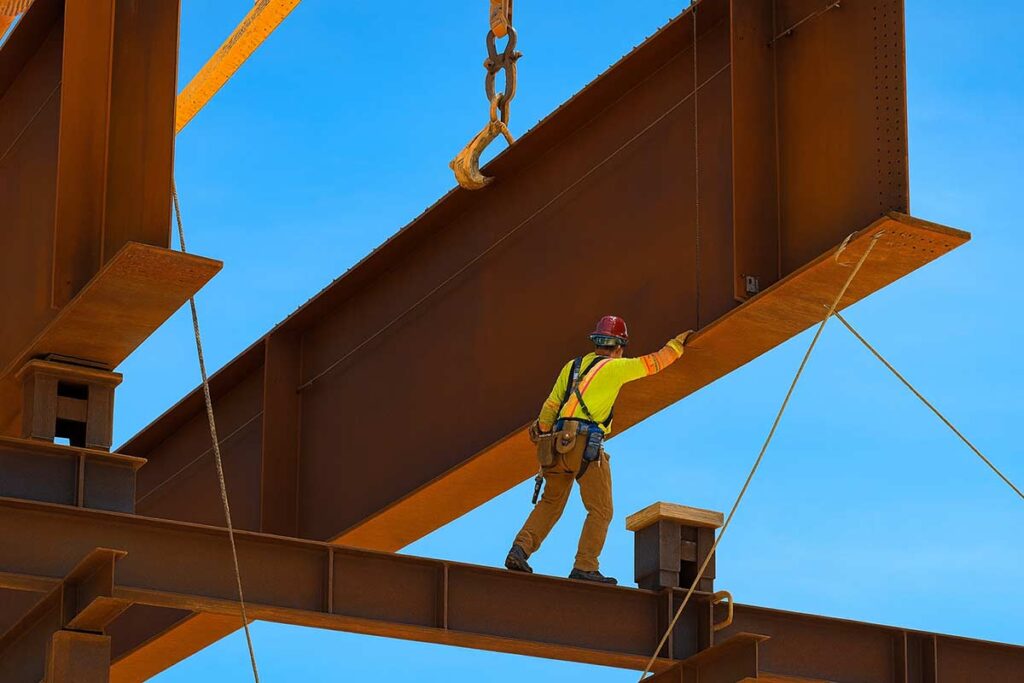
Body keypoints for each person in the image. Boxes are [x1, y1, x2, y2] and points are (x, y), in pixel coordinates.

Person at [505, 315, 693, 584]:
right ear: (619, 346)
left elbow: (550, 407)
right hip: (585, 447)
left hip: (557, 444)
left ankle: (520, 549)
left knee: (551, 502)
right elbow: (654, 363)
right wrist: (677, 344)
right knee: (601, 509)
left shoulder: (573, 367)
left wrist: (546, 434)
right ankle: (585, 566)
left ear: (596, 342)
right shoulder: (614, 367)